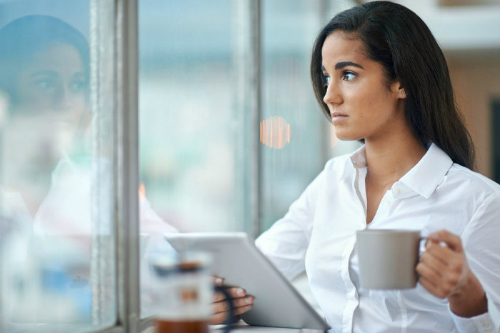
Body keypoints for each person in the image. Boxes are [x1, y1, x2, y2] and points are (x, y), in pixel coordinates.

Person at [213, 2, 500, 332]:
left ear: (401, 82)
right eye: (326, 78)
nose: (329, 96)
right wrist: (221, 300)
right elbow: (256, 268)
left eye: (348, 75)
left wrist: (465, 294)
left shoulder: (480, 202)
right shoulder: (332, 182)